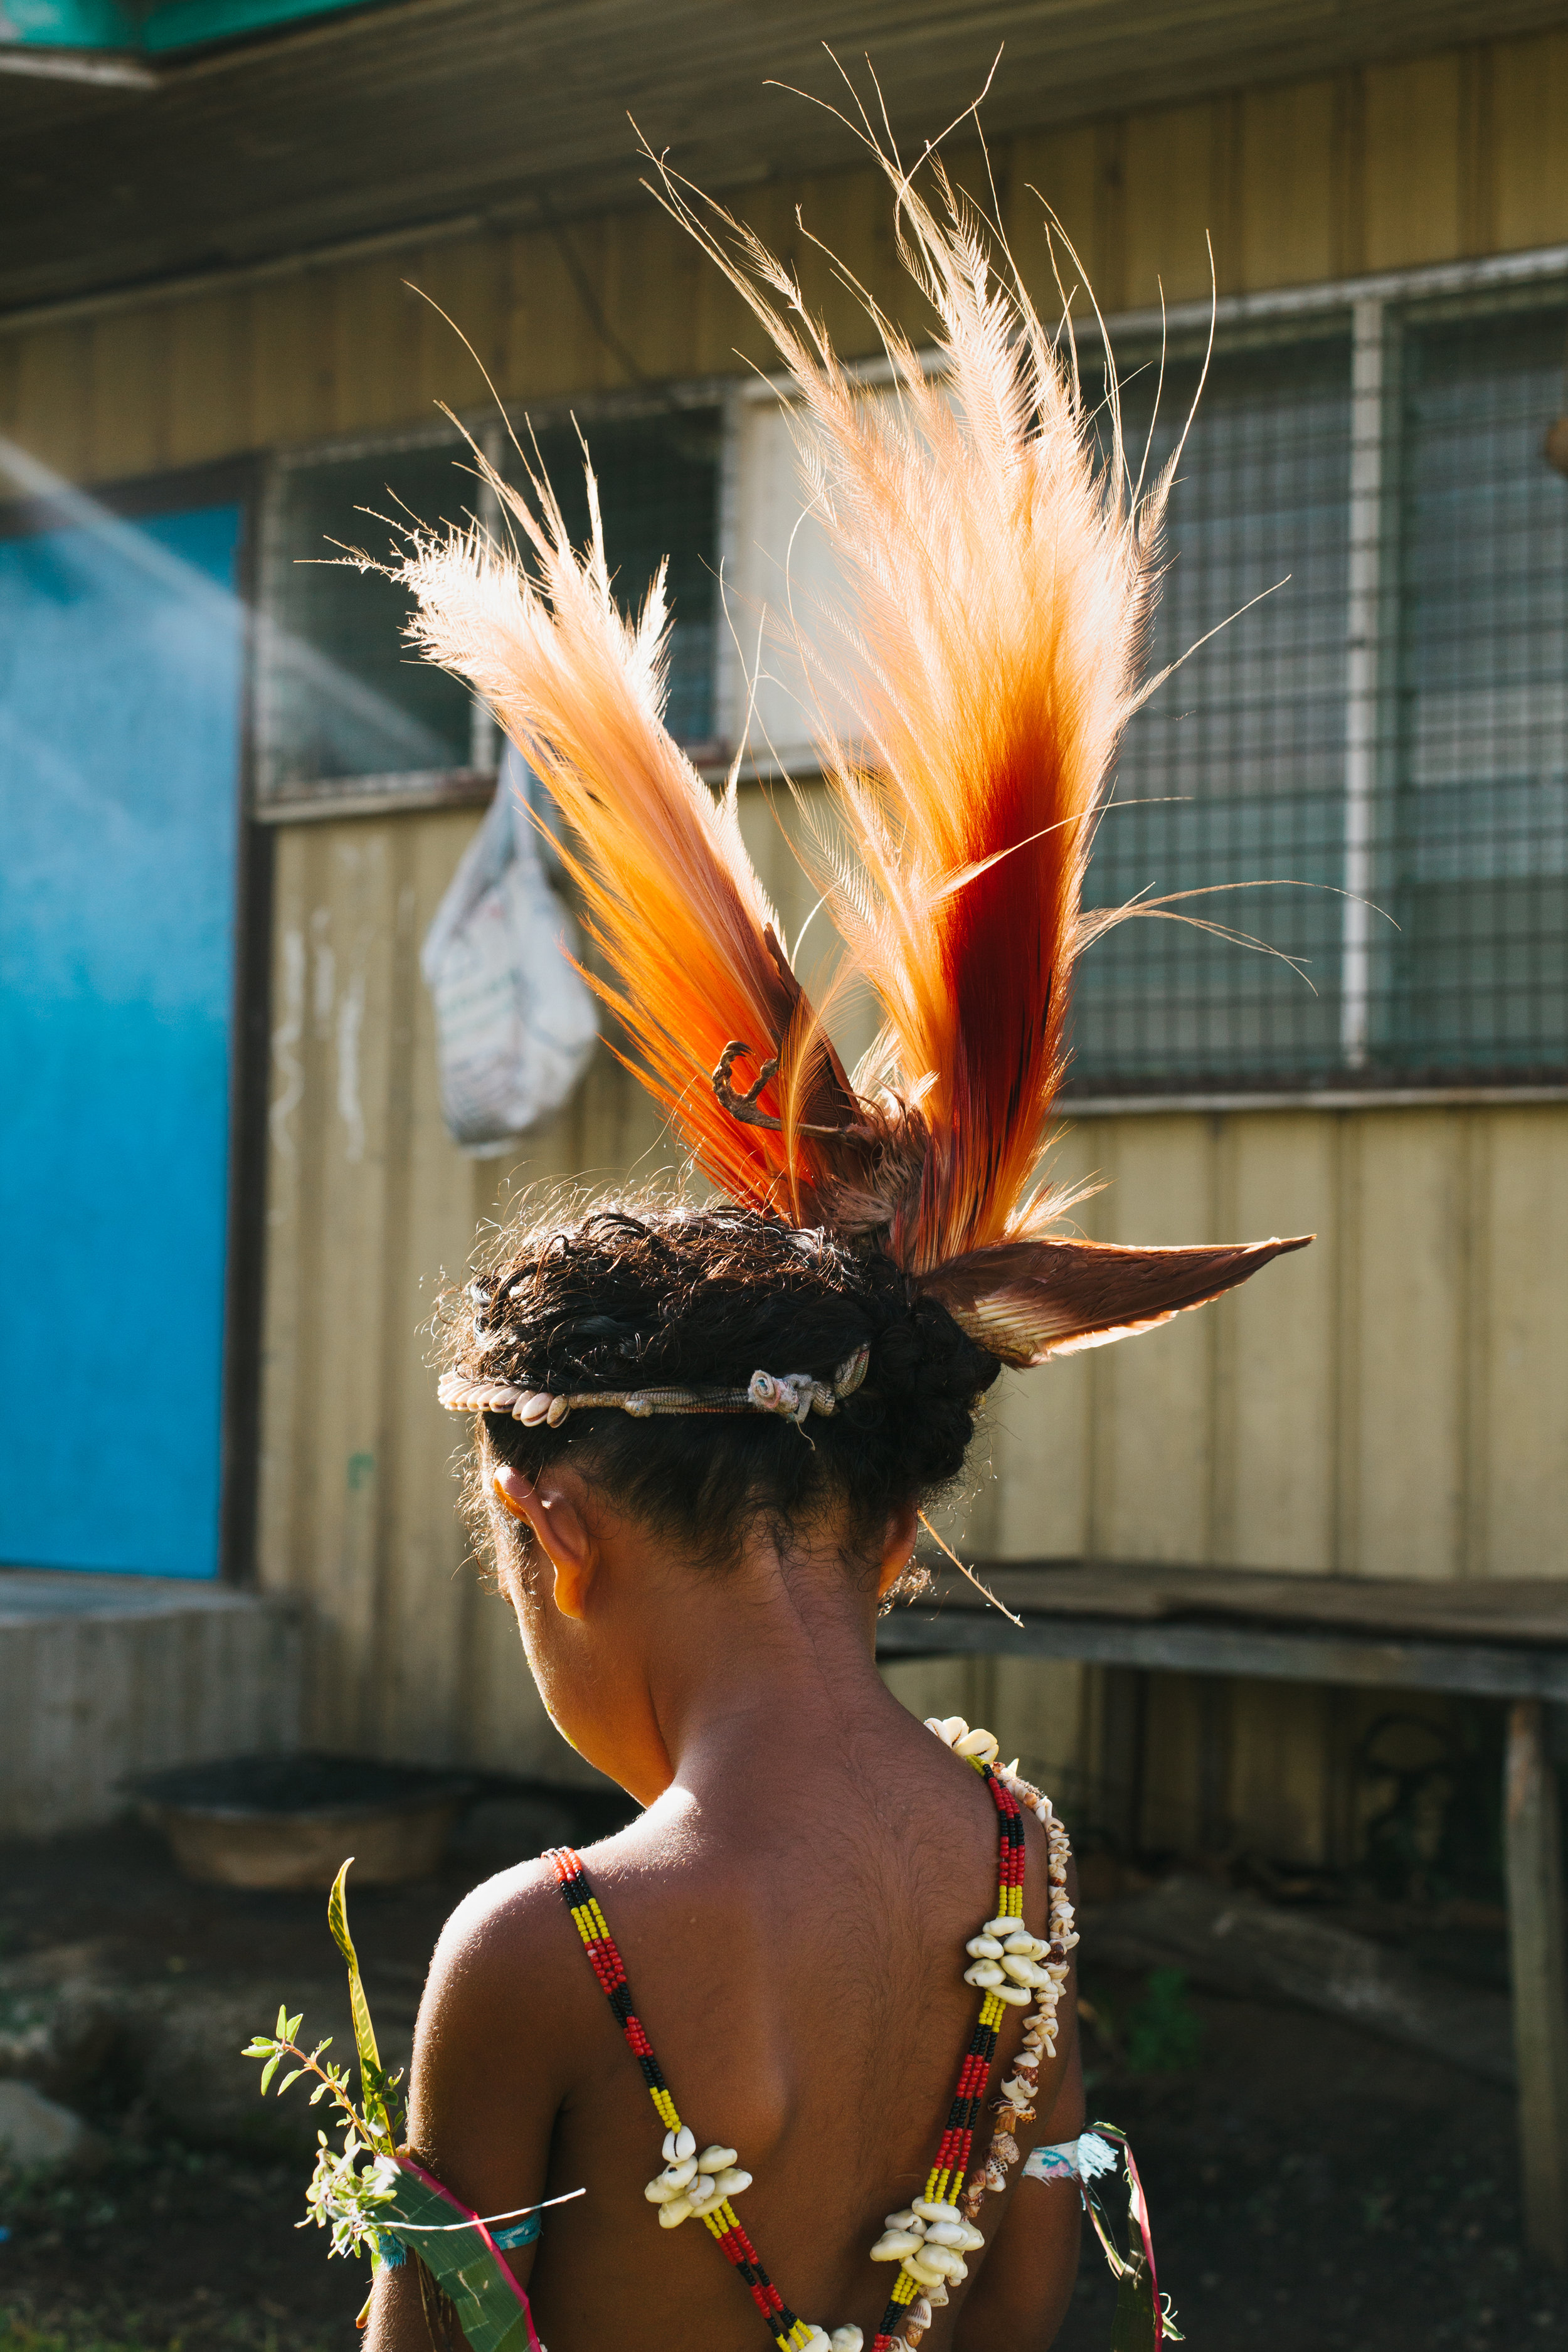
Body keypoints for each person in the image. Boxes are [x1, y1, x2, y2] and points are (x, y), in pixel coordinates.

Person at [367, 126, 1308, 2352]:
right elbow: (1020, 2321)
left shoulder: (544, 1942)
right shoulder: (1017, 1886)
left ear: (554, 1523)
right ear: (893, 1523)